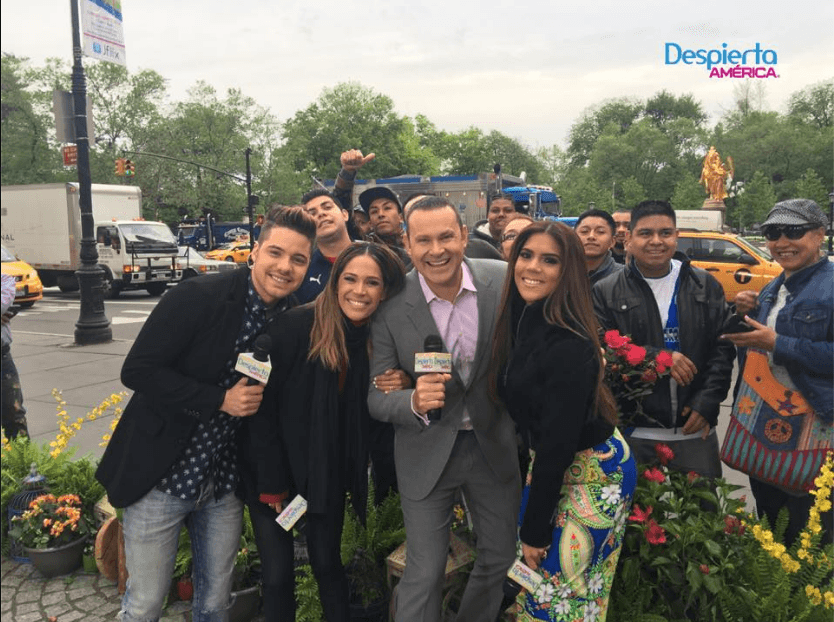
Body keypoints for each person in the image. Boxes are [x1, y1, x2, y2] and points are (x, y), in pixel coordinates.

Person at [95, 207, 316, 622]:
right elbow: (138, 370)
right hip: (161, 477)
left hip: (224, 485)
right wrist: (219, 400)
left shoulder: (295, 317)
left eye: (299, 259)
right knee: (144, 605)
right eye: (276, 252)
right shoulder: (198, 296)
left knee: (216, 604)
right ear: (255, 252)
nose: (285, 267)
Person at [367, 196, 520, 622]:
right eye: (424, 240)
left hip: (493, 445)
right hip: (425, 449)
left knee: (500, 556)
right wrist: (412, 400)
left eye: (447, 236)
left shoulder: (503, 280)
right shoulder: (390, 307)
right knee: (425, 570)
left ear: (465, 236)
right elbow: (376, 396)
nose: (437, 250)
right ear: (408, 244)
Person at [240, 242, 406, 621]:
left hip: (325, 475)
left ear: (385, 290)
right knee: (280, 577)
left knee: (329, 566)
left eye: (372, 282)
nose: (359, 291)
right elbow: (258, 411)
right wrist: (272, 483)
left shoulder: (377, 340)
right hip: (272, 472)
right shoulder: (294, 326)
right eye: (349, 279)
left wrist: (404, 379)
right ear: (334, 282)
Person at [490, 221, 635, 621]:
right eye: (526, 255)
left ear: (567, 270)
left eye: (549, 260)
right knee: (538, 593)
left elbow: (556, 445)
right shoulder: (523, 316)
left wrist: (534, 533)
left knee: (560, 597)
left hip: (593, 472)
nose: (533, 267)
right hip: (553, 463)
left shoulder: (569, 343)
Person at [592, 200, 734, 477]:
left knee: (702, 514)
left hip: (694, 428)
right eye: (645, 233)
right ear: (629, 238)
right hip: (634, 429)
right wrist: (655, 357)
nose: (656, 241)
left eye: (665, 233)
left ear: (676, 236)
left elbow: (723, 349)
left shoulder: (704, 284)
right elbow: (603, 348)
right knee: (636, 517)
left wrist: (707, 402)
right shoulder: (605, 291)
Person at [723, 199, 833, 545]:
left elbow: (774, 344)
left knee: (813, 537)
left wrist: (778, 343)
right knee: (774, 526)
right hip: (769, 431)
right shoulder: (775, 285)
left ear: (819, 235)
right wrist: (742, 311)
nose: (782, 242)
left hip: (816, 429)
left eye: (794, 231)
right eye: (773, 232)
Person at [295, 149, 376, 304]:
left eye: (327, 207)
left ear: (345, 214)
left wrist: (348, 172)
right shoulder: (301, 271)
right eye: (312, 212)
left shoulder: (377, 257)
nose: (320, 214)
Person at [1, 273, 28, 439]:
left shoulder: (5, 280)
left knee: (14, 413)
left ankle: (21, 464)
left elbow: (2, 304)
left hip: (2, 359)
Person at [359, 185, 411, 267]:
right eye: (374, 211)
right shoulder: (364, 249)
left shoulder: (414, 242)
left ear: (401, 217)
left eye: (387, 208)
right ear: (370, 223)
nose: (380, 214)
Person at [575, 208, 624, 285]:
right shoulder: (561, 273)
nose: (591, 236)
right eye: (584, 231)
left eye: (600, 232)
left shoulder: (625, 278)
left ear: (612, 242)